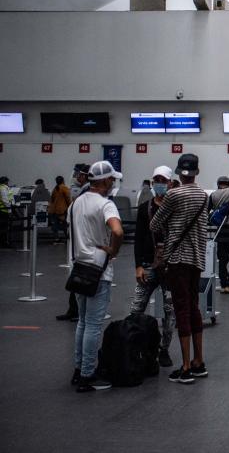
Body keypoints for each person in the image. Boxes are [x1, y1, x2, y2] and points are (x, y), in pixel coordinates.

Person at [149, 154, 210, 384]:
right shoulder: (203, 196)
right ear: (196, 172)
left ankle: (184, 366)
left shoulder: (173, 194)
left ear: (178, 173)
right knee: (193, 307)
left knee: (181, 308)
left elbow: (154, 224)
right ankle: (198, 361)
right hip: (196, 259)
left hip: (176, 260)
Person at [69, 160, 124, 392]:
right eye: (111, 179)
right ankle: (88, 375)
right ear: (103, 181)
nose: (113, 183)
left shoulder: (76, 203)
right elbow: (117, 230)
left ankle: (78, 368)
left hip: (78, 268)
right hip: (98, 271)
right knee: (93, 324)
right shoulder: (105, 205)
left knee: (82, 322)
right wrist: (113, 249)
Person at [130, 166, 176, 368]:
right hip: (148, 265)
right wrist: (138, 265)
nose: (160, 184)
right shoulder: (144, 208)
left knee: (170, 311)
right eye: (157, 180)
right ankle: (134, 346)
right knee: (136, 309)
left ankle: (164, 349)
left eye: (163, 180)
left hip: (170, 268)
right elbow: (138, 239)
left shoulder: (175, 208)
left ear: (171, 183)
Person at [57, 163, 90, 321]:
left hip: (82, 242)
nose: (76, 177)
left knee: (81, 277)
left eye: (79, 174)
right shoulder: (82, 191)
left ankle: (79, 311)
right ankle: (73, 309)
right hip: (76, 239)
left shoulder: (88, 192)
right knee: (75, 276)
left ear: (84, 175)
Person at [48, 175, 72, 243]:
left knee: (55, 225)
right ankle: (67, 237)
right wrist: (71, 206)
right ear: (63, 180)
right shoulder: (64, 188)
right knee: (65, 224)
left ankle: (56, 238)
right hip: (62, 210)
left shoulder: (55, 189)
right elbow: (68, 198)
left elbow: (52, 199)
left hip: (55, 210)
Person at [0, 176, 14, 248]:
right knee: (4, 228)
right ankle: (4, 243)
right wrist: (9, 210)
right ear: (5, 182)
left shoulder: (2, 188)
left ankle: (4, 242)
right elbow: (5, 200)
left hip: (2, 210)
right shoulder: (3, 188)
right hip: (3, 210)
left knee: (3, 227)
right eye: (7, 182)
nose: (8, 183)